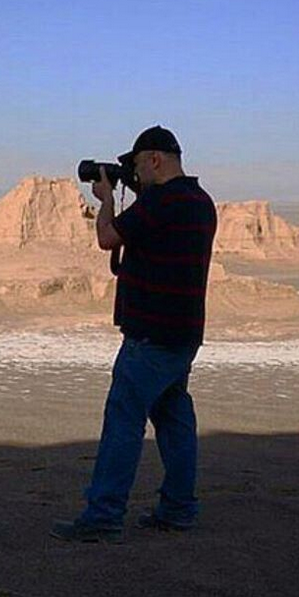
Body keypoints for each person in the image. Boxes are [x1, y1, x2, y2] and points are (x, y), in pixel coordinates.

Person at [51, 126, 217, 543]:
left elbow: (108, 237)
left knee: (123, 420)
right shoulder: (199, 202)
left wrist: (108, 199)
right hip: (184, 333)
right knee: (174, 419)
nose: (136, 172)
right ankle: (178, 509)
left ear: (156, 159)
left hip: (150, 335)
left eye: (139, 163)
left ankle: (103, 515)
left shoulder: (161, 202)